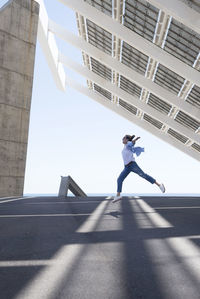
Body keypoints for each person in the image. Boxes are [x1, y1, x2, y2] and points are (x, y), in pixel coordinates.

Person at [112, 134, 165, 203]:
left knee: (144, 175)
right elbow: (130, 144)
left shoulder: (128, 145)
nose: (122, 139)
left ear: (127, 140)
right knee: (119, 179)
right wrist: (132, 140)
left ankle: (159, 185)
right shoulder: (125, 147)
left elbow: (131, 143)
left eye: (123, 138)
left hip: (132, 165)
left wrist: (134, 140)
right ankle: (118, 195)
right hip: (126, 167)